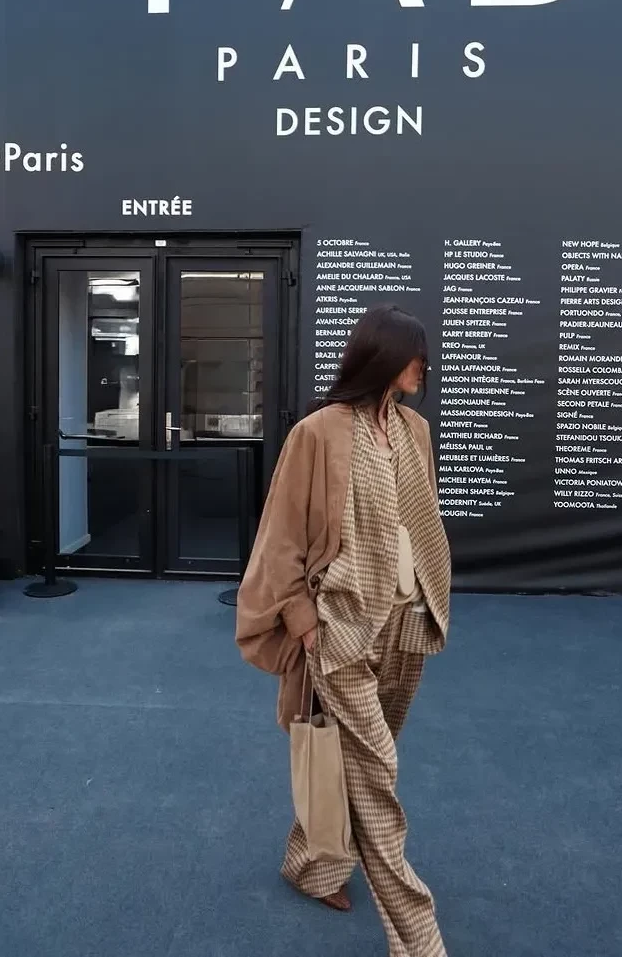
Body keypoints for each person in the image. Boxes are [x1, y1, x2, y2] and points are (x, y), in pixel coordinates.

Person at [235, 304, 452, 957]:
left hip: (405, 623)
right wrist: (305, 625)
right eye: (416, 355)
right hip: (339, 630)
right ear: (383, 357)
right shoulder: (319, 433)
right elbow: (280, 541)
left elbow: (422, 523)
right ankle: (417, 937)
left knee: (353, 760)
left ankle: (312, 866)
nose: (425, 366)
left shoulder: (414, 429)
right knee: (378, 773)